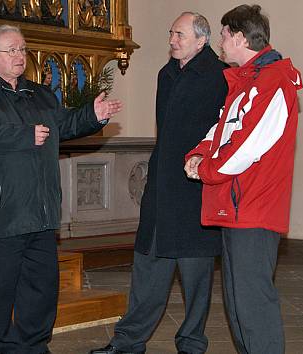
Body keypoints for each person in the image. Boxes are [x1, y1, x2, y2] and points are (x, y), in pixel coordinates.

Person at [0, 24, 122, 354]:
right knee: (1, 291)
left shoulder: (40, 94)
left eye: (22, 49)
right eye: (12, 50)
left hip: (42, 209)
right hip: (4, 212)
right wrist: (24, 136)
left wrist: (93, 115)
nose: (20, 56)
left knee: (42, 289)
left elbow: (64, 126)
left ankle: (32, 346)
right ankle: (1, 348)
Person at [90, 12, 227, 354]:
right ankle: (128, 342)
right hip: (163, 184)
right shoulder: (166, 74)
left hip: (196, 186)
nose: (171, 40)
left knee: (196, 275)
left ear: (201, 39)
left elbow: (224, 133)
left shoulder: (221, 76)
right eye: (171, 33)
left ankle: (192, 343)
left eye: (179, 34)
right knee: (148, 267)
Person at [185, 5, 302, 354]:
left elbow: (247, 146)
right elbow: (223, 130)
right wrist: (198, 153)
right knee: (237, 305)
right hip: (237, 206)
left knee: (253, 304)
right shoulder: (246, 80)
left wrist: (205, 169)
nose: (219, 43)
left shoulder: (274, 81)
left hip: (254, 206)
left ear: (238, 36)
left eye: (222, 35)